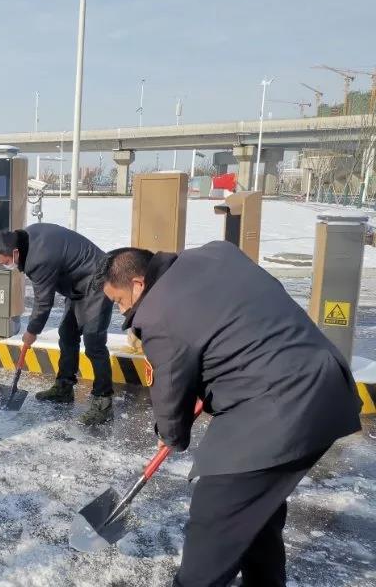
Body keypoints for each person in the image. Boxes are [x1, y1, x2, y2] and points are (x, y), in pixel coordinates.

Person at [94, 241, 362, 586]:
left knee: (215, 517)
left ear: (137, 284)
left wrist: (170, 433)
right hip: (327, 384)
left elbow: (170, 389)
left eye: (119, 301)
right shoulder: (217, 254)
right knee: (256, 510)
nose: (122, 311)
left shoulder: (157, 313)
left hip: (276, 408)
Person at [0, 224, 114, 425]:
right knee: (67, 334)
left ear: (15, 252)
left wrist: (32, 331)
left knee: (94, 342)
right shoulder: (28, 238)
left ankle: (103, 402)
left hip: (99, 282)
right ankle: (64, 387)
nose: (7, 266)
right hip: (78, 284)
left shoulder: (38, 258)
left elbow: (43, 302)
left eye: (7, 262)